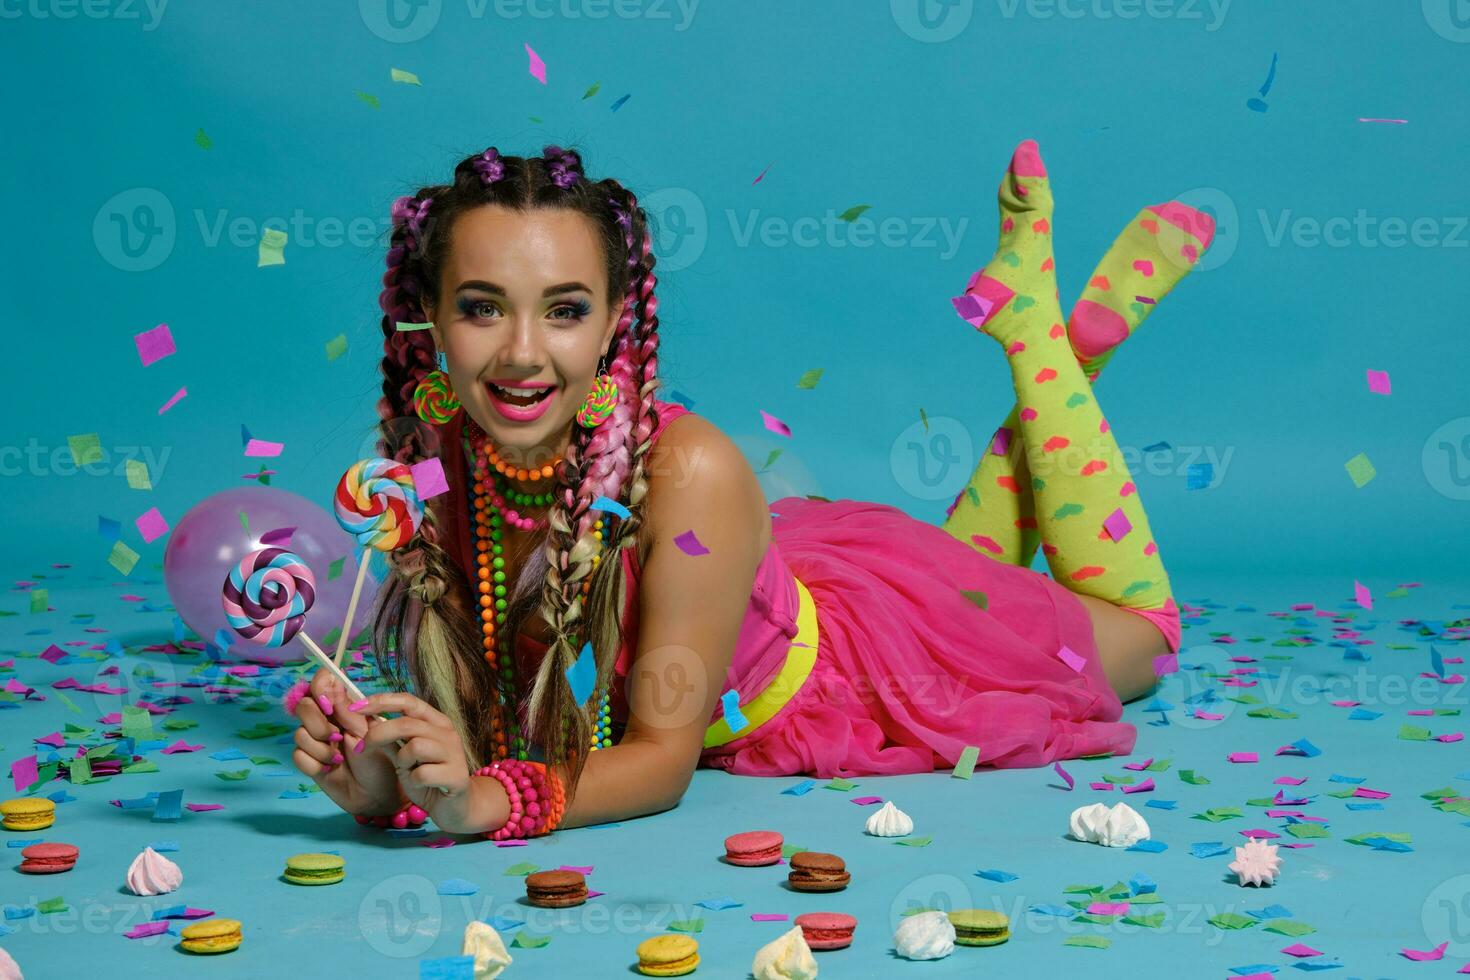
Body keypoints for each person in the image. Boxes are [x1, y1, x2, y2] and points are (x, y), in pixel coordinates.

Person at [288, 140, 1215, 840]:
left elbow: (660, 761)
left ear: (614, 320)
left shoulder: (689, 475)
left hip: (860, 672)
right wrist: (386, 787)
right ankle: (1055, 363)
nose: (524, 353)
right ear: (431, 316)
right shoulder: (428, 471)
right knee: (977, 574)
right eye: (482, 306)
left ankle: (1042, 345)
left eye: (565, 309)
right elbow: (497, 701)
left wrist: (490, 802)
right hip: (770, 580)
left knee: (1140, 634)